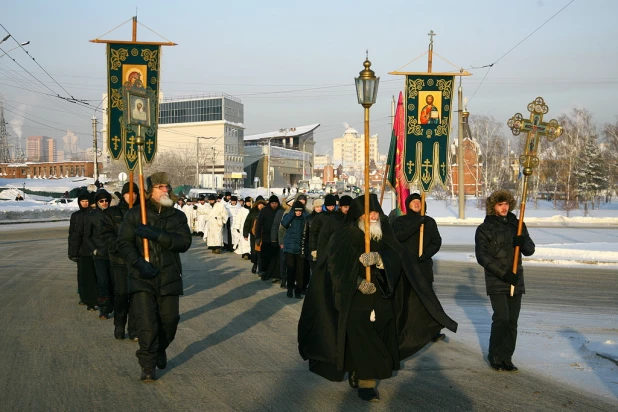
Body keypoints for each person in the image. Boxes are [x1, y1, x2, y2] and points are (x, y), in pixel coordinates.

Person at [298, 194, 457, 402]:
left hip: (381, 296)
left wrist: (380, 260)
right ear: (358, 214)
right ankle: (367, 382)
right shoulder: (343, 236)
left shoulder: (384, 235)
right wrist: (356, 282)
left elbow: (397, 259)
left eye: (376, 212)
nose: (373, 216)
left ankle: (358, 369)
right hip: (354, 299)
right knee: (362, 336)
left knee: (378, 334)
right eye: (369, 212)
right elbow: (335, 268)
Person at [117, 172, 192, 382]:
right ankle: (147, 365)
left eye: (167, 186)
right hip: (142, 277)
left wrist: (156, 234)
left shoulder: (177, 216)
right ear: (150, 191)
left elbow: (184, 243)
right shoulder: (134, 215)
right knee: (147, 323)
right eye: (160, 186)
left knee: (170, 321)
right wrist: (138, 263)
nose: (165, 190)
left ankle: (160, 348)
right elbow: (123, 243)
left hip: (169, 276)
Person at [475, 190, 535, 372]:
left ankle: (507, 357)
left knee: (512, 321)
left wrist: (522, 241)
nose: (504, 207)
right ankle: (494, 354)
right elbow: (482, 256)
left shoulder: (517, 225)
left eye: (506, 204)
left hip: (516, 279)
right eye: (500, 204)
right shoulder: (485, 229)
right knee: (502, 317)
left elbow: (530, 250)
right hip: (497, 280)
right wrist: (504, 273)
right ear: (493, 206)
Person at [393, 193, 444, 342]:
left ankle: (431, 330)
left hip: (423, 266)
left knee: (427, 299)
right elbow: (398, 237)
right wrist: (417, 224)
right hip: (406, 267)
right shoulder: (400, 221)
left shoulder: (430, 222)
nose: (416, 203)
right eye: (413, 201)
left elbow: (436, 241)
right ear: (408, 205)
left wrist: (426, 254)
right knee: (406, 300)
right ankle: (404, 330)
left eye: (419, 201)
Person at [100, 182, 139, 341]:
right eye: (129, 193)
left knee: (136, 295)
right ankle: (119, 324)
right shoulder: (112, 213)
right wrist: (119, 247)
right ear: (123, 195)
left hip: (137, 260)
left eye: (135, 193)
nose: (132, 196)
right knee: (121, 293)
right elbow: (106, 233)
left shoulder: (142, 212)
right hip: (119, 259)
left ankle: (134, 328)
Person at [83, 188, 114, 319]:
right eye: (102, 201)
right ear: (97, 202)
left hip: (114, 253)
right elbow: (87, 236)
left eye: (107, 200)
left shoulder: (114, 214)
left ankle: (115, 305)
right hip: (99, 254)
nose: (104, 203)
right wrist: (94, 250)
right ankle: (104, 308)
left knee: (115, 282)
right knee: (103, 281)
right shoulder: (91, 216)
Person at [68, 188, 98, 311]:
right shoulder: (76, 216)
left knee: (94, 276)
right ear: (79, 202)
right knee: (82, 276)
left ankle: (93, 298)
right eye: (82, 201)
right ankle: (83, 296)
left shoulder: (93, 214)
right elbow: (73, 235)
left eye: (87, 201)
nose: (85, 203)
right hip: (81, 251)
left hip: (93, 249)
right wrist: (72, 252)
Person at [281, 201, 310, 298]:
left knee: (300, 271)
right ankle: (289, 288)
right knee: (290, 269)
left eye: (300, 211)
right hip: (290, 248)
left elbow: (309, 220)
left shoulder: (304, 218)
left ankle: (298, 290)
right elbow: (284, 223)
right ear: (294, 211)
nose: (299, 213)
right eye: (297, 211)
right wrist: (292, 214)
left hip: (300, 248)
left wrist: (304, 211)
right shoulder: (289, 217)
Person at [254, 195, 283, 281]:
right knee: (265, 257)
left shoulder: (280, 211)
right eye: (272, 203)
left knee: (276, 257)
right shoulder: (264, 211)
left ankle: (274, 273)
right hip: (266, 238)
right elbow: (258, 225)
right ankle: (264, 272)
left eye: (276, 203)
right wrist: (258, 237)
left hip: (277, 237)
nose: (274, 205)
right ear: (269, 203)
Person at [308, 194, 337, 262]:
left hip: (335, 247)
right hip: (321, 246)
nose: (331, 208)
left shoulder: (338, 216)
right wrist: (313, 248)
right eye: (329, 206)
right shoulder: (319, 217)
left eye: (333, 206)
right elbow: (313, 233)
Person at [244, 198, 266, 274]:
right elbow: (247, 223)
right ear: (257, 205)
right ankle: (255, 264)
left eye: (262, 204)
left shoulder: (266, 212)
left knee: (261, 252)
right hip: (253, 235)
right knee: (254, 252)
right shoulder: (252, 212)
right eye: (259, 204)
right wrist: (245, 233)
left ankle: (261, 268)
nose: (261, 206)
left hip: (263, 236)